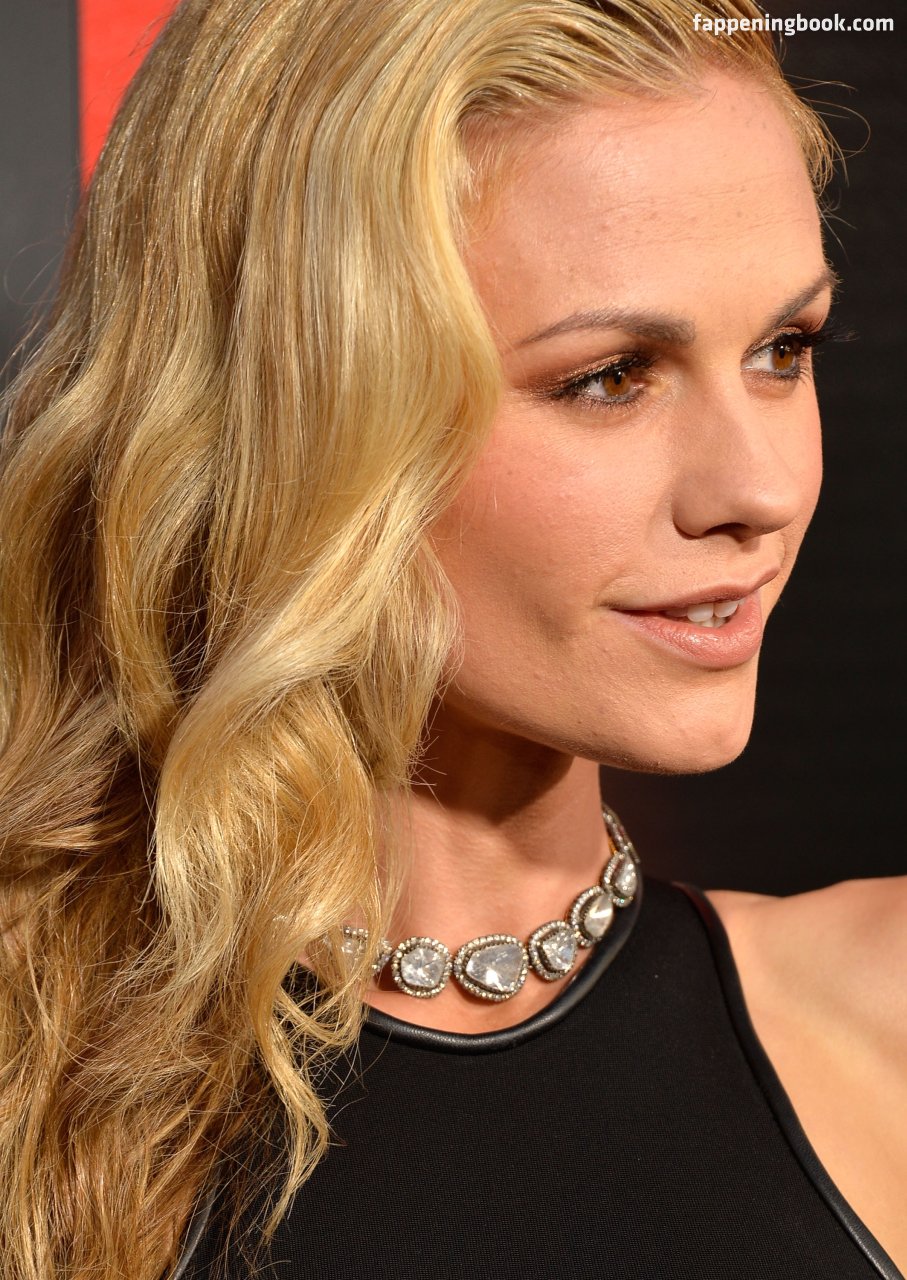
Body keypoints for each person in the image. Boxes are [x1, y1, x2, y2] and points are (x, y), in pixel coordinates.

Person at [0, 0, 904, 1277]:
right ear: (304, 411)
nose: (756, 488)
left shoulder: (882, 1018)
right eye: (610, 376)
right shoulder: (33, 1079)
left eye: (781, 349)